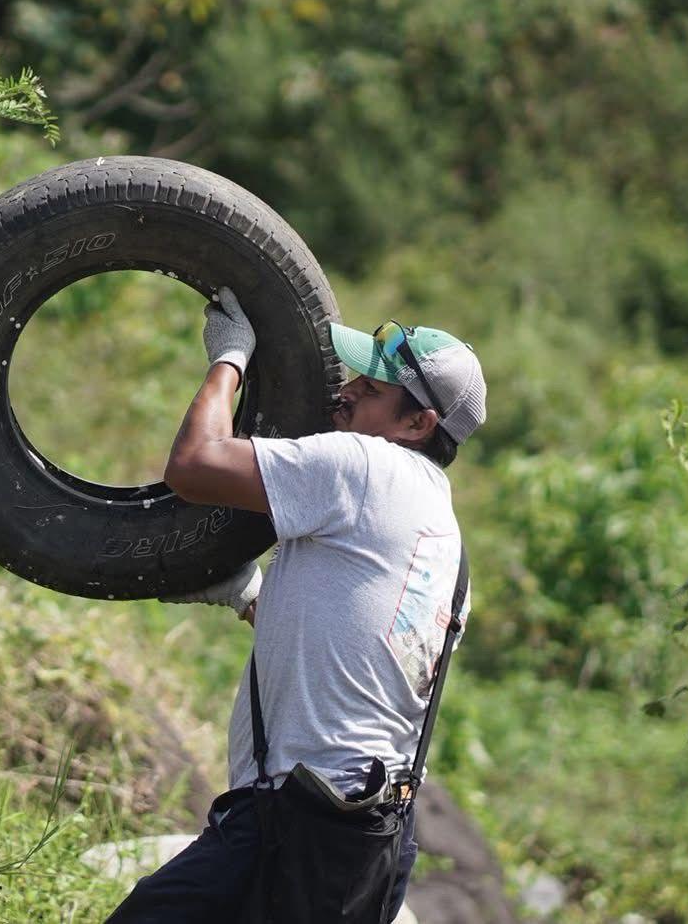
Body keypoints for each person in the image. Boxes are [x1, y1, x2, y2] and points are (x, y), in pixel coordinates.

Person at [105, 288, 488, 923]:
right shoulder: (448, 548)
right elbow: (357, 648)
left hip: (302, 815)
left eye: (372, 390)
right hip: (368, 838)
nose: (347, 392)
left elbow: (195, 466)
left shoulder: (367, 467)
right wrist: (248, 595)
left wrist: (230, 359)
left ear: (417, 425)